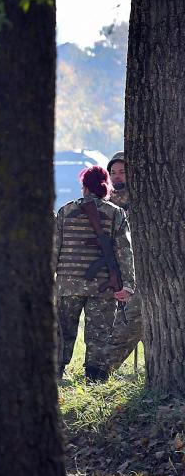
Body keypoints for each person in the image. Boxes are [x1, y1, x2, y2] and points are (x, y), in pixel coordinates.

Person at [54, 165, 135, 381]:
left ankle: (55, 374)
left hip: (67, 285)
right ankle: (95, 378)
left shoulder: (65, 211)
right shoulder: (115, 213)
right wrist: (127, 285)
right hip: (103, 286)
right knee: (99, 334)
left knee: (62, 331)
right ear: (105, 186)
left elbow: (53, 249)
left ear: (84, 187)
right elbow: (124, 251)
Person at [101, 151, 142, 375]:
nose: (117, 177)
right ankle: (101, 369)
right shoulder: (107, 203)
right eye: (113, 172)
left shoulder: (144, 199)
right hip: (116, 270)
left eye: (122, 172)